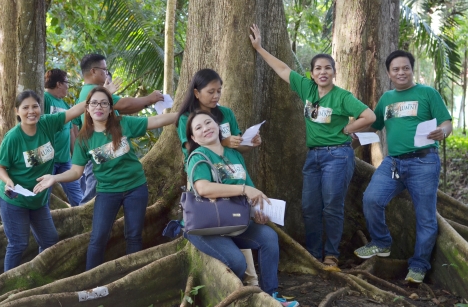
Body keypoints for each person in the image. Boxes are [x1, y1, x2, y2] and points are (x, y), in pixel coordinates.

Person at [249, 24, 376, 268]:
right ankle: (313, 254)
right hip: (313, 158)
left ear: (334, 73)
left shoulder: (342, 97)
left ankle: (331, 255)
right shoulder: (306, 88)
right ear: (312, 73)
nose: (323, 72)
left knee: (332, 207)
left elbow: (369, 116)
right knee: (309, 207)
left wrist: (348, 129)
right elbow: (283, 69)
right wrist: (259, 48)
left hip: (337, 156)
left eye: (328, 68)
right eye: (318, 68)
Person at [34, 86, 178, 270]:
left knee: (133, 235)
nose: (98, 107)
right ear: (87, 109)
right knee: (98, 237)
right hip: (108, 192)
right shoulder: (84, 139)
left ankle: (129, 278)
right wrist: (55, 178)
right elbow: (76, 172)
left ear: (111, 108)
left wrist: (185, 114)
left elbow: (156, 120)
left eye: (104, 103)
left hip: (136, 188)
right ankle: (90, 280)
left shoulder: (123, 124)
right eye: (94, 103)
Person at [354, 50, 452, 283]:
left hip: (424, 161)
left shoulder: (427, 93)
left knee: (425, 216)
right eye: (396, 69)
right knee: (371, 199)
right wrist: (353, 137)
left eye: (405, 68)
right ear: (389, 73)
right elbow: (374, 125)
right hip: (393, 162)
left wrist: (443, 132)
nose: (401, 72)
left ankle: (419, 265)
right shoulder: (387, 98)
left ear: (411, 69)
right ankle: (381, 242)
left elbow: (447, 123)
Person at [184, 110, 299, 307]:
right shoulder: (198, 156)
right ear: (194, 137)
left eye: (208, 122)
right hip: (204, 227)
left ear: (217, 126)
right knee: (237, 262)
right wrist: (244, 189)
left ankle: (269, 296)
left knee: (269, 237)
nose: (206, 129)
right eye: (199, 128)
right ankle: (231, 300)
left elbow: (251, 194)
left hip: (233, 221)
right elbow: (203, 188)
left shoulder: (234, 155)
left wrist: (257, 214)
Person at [176, 68, 261, 286]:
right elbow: (191, 150)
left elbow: (237, 150)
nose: (216, 96)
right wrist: (220, 142)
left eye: (219, 91)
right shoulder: (186, 118)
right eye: (211, 91)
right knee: (215, 220)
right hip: (204, 175)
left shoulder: (226, 113)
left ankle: (252, 283)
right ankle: (237, 280)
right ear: (197, 93)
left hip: (231, 176)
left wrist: (248, 143)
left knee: (236, 219)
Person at [0, 90, 86, 271]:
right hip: (14, 199)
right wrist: (8, 181)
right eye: (25, 107)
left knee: (49, 240)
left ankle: (37, 276)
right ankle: (4, 287)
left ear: (40, 108)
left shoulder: (47, 124)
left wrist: (103, 94)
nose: (31, 111)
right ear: (17, 111)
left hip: (39, 199)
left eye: (35, 106)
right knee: (18, 243)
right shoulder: (13, 138)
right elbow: (0, 167)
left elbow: (76, 110)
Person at [77, 53, 164, 204]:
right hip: (98, 148)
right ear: (93, 71)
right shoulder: (92, 92)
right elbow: (124, 104)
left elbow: (123, 110)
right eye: (104, 70)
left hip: (110, 148)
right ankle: (85, 225)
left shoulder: (94, 91)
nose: (106, 73)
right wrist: (150, 99)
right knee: (91, 197)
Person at [44, 69, 83, 206]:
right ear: (59, 84)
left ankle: (85, 222)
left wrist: (75, 155)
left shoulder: (65, 105)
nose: (68, 86)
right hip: (48, 160)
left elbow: (72, 131)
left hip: (65, 160)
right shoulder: (45, 99)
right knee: (43, 196)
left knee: (77, 195)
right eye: (67, 83)